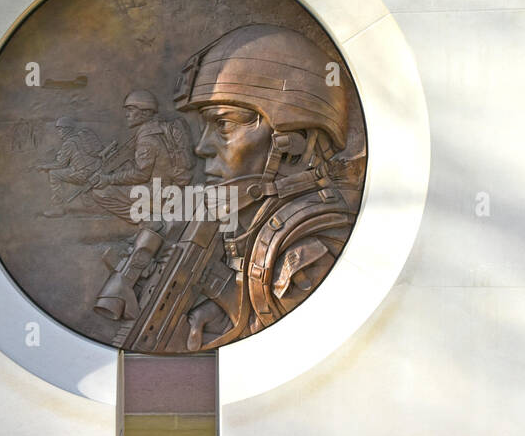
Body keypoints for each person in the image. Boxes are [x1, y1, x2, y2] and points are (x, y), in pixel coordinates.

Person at [94, 24, 362, 352]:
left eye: (223, 124)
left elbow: (294, 346)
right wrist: (227, 309)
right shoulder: (250, 219)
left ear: (294, 144)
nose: (202, 147)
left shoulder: (308, 247)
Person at [87, 89, 194, 224]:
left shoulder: (147, 139)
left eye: (131, 110)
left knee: (100, 193)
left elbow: (141, 175)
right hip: (169, 189)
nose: (127, 115)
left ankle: (149, 224)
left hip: (158, 195)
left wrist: (109, 179)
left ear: (145, 112)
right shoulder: (159, 128)